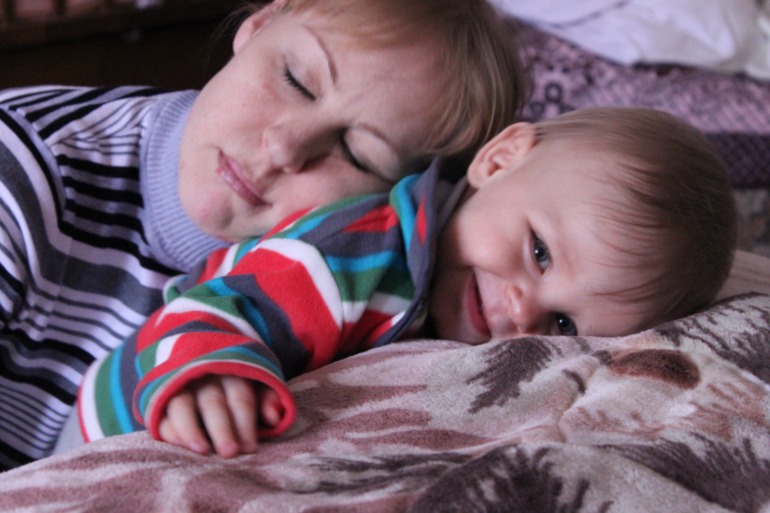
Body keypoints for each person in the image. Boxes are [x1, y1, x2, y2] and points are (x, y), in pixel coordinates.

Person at [0, 0, 527, 470]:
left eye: (357, 155)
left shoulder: (348, 276)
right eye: (296, 80)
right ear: (258, 25)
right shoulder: (22, 168)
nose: (283, 147)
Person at [78, 106, 737, 459]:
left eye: (563, 323)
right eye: (538, 252)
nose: (522, 311)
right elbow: (211, 309)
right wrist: (206, 372)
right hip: (121, 411)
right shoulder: (360, 253)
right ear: (498, 161)